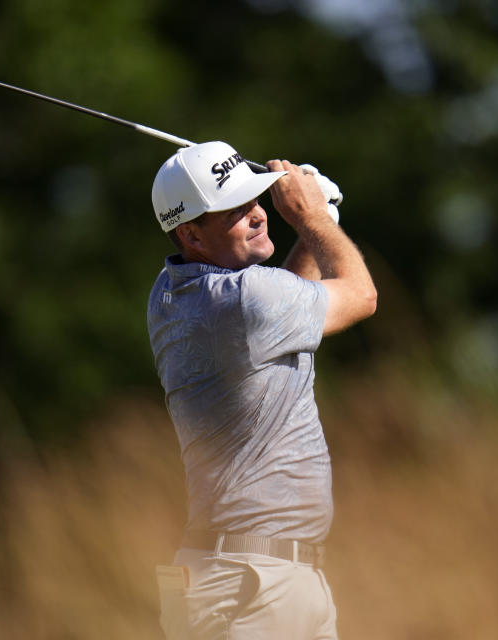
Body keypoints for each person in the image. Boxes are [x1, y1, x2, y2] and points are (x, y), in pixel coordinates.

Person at [147, 140, 376, 640]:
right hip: (254, 584)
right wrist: (316, 220)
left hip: (240, 576)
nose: (257, 215)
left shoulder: (168, 294)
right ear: (191, 234)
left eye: (256, 200)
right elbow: (361, 296)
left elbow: (282, 302)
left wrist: (320, 218)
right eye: (234, 211)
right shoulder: (247, 300)